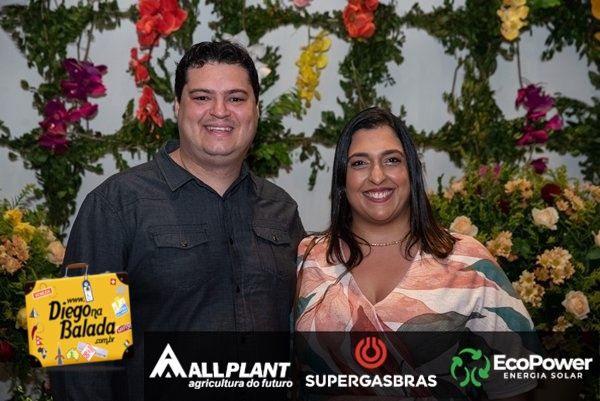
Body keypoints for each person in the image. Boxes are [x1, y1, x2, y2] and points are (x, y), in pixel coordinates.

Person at [50, 41, 305, 401]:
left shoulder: (282, 209)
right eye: (202, 97)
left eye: (236, 98)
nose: (220, 111)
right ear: (177, 107)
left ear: (256, 110)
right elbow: (73, 352)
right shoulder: (113, 204)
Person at [294, 107, 536, 400]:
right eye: (359, 163)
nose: (377, 175)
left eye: (392, 160)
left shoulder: (469, 263)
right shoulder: (309, 258)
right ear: (343, 180)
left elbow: (514, 386)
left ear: (412, 172)